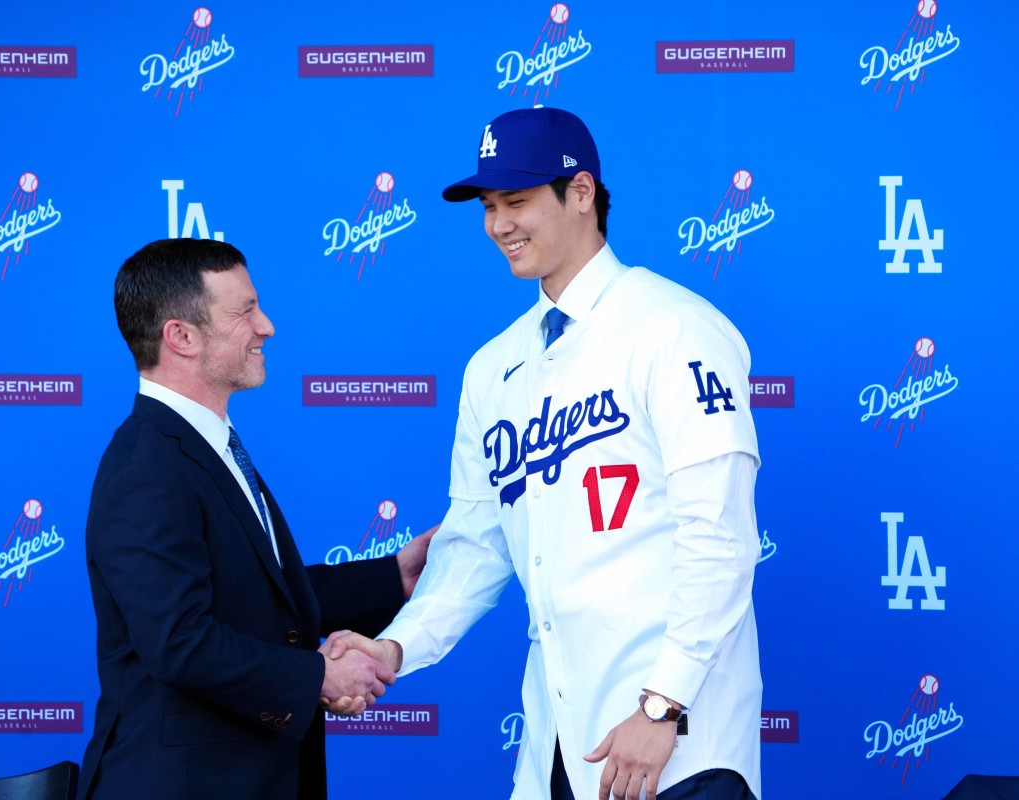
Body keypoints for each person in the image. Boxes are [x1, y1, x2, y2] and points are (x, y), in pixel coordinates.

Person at [326, 107, 762, 800]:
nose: (499, 224)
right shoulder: (493, 366)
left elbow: (721, 538)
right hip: (560, 742)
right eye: (490, 206)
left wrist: (663, 705)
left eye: (518, 201)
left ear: (581, 193)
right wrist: (394, 649)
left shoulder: (673, 327)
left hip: (678, 741)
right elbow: (474, 546)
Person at [79, 237, 433, 800]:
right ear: (182, 337)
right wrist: (319, 676)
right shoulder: (147, 465)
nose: (266, 326)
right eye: (245, 311)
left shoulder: (205, 445)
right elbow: (180, 640)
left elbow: (255, 597)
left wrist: (393, 576)